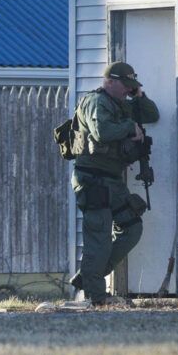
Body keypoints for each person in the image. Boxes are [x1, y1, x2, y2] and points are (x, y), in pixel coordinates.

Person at [67, 61, 159, 306]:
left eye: (131, 86)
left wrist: (139, 96)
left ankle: (90, 276)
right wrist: (130, 127)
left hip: (112, 180)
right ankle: (97, 296)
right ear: (109, 82)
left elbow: (152, 114)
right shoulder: (96, 102)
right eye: (125, 85)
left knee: (131, 227)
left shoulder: (121, 104)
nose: (128, 90)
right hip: (92, 179)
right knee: (99, 236)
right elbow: (103, 133)